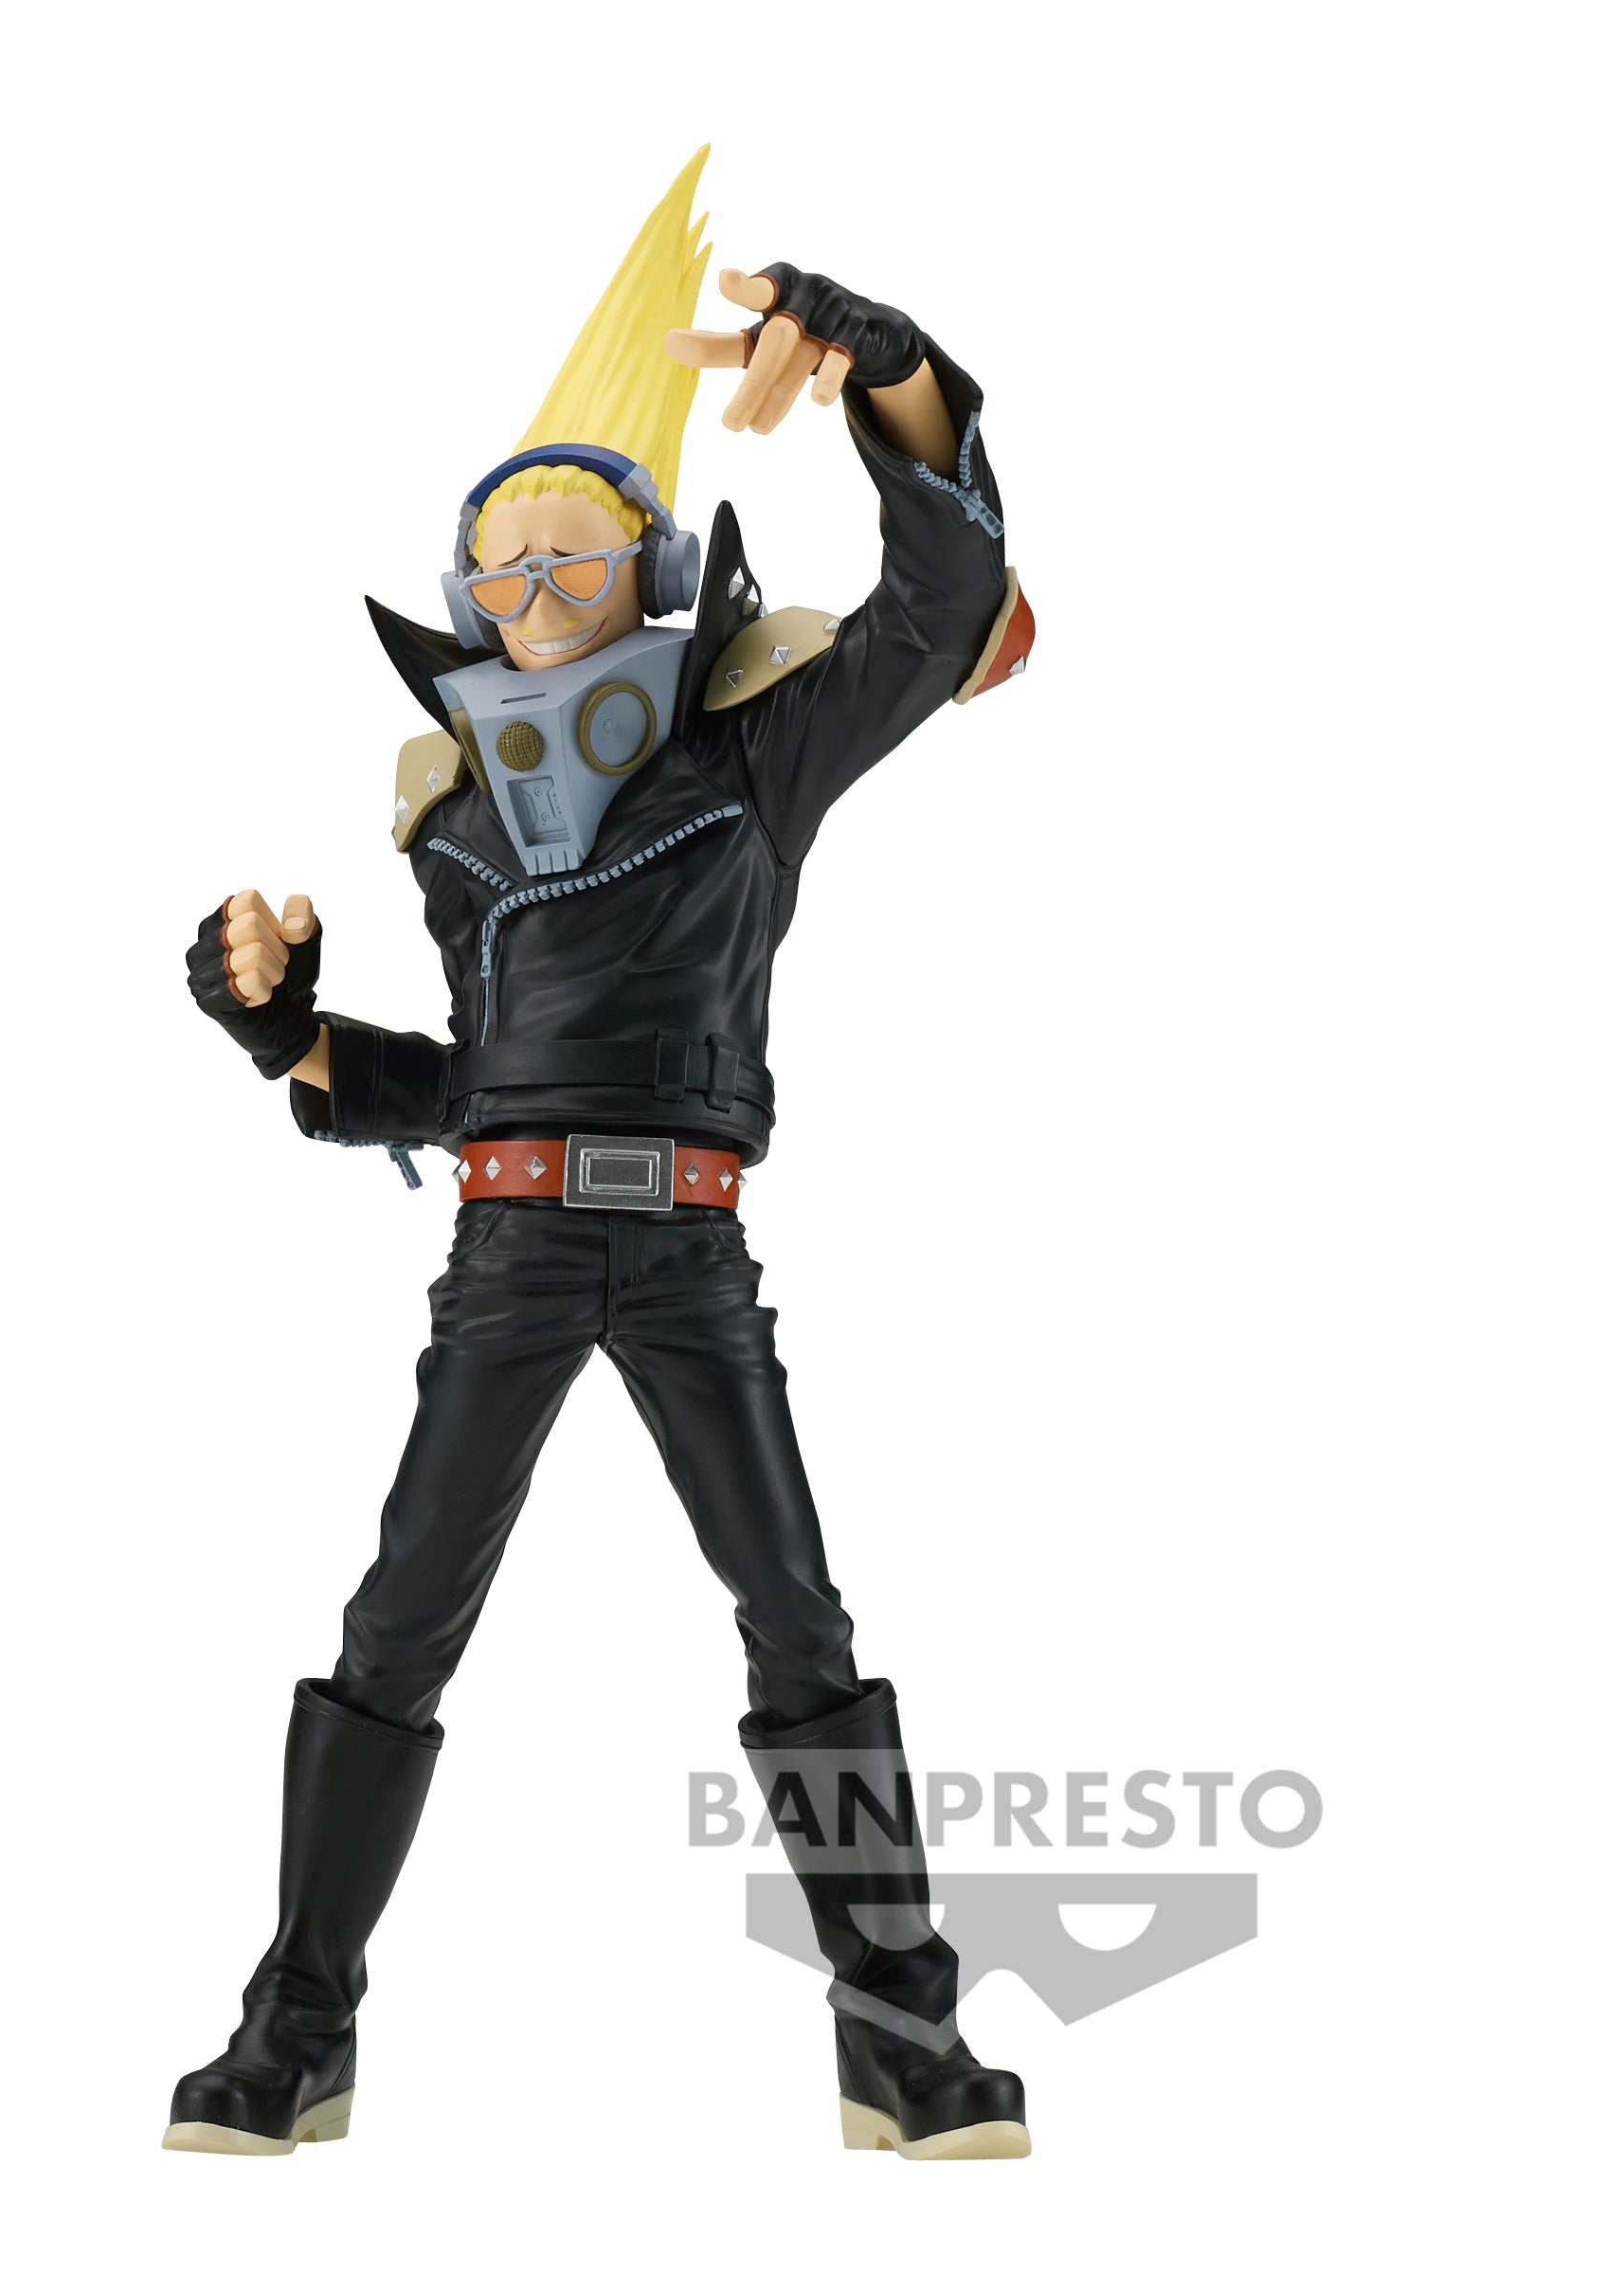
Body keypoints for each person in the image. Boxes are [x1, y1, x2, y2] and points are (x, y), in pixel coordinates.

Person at [166, 149, 1038, 2161]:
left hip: (695, 1246)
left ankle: (901, 2037)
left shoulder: (757, 753)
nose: (534, 597)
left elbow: (945, 608)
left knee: (797, 1615)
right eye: (503, 573)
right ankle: (298, 2028)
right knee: (400, 1620)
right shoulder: (455, 821)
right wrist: (285, 1031)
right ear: (464, 602)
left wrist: (894, 376)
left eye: (572, 561)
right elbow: (483, 1083)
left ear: (652, 573)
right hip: (513, 1248)